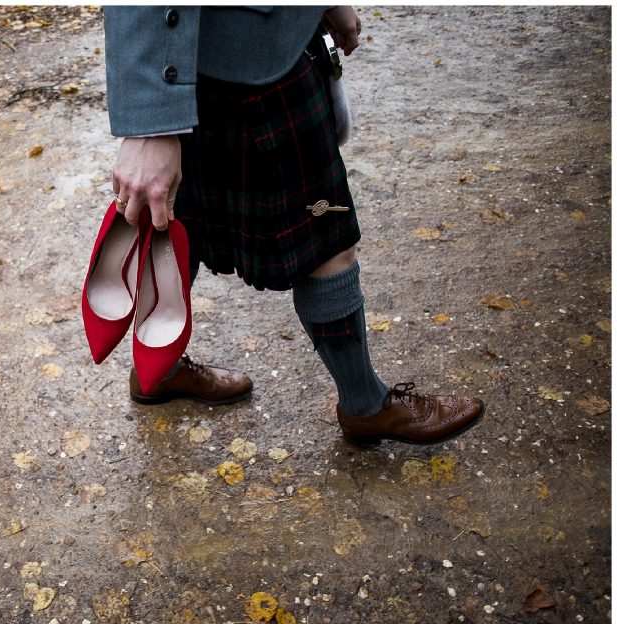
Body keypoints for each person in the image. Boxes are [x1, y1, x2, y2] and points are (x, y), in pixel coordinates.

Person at [103, 5, 484, 444]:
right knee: (319, 236)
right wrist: (151, 126)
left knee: (177, 219)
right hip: (225, 60)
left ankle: (159, 370)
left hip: (275, 45)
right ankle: (365, 404)